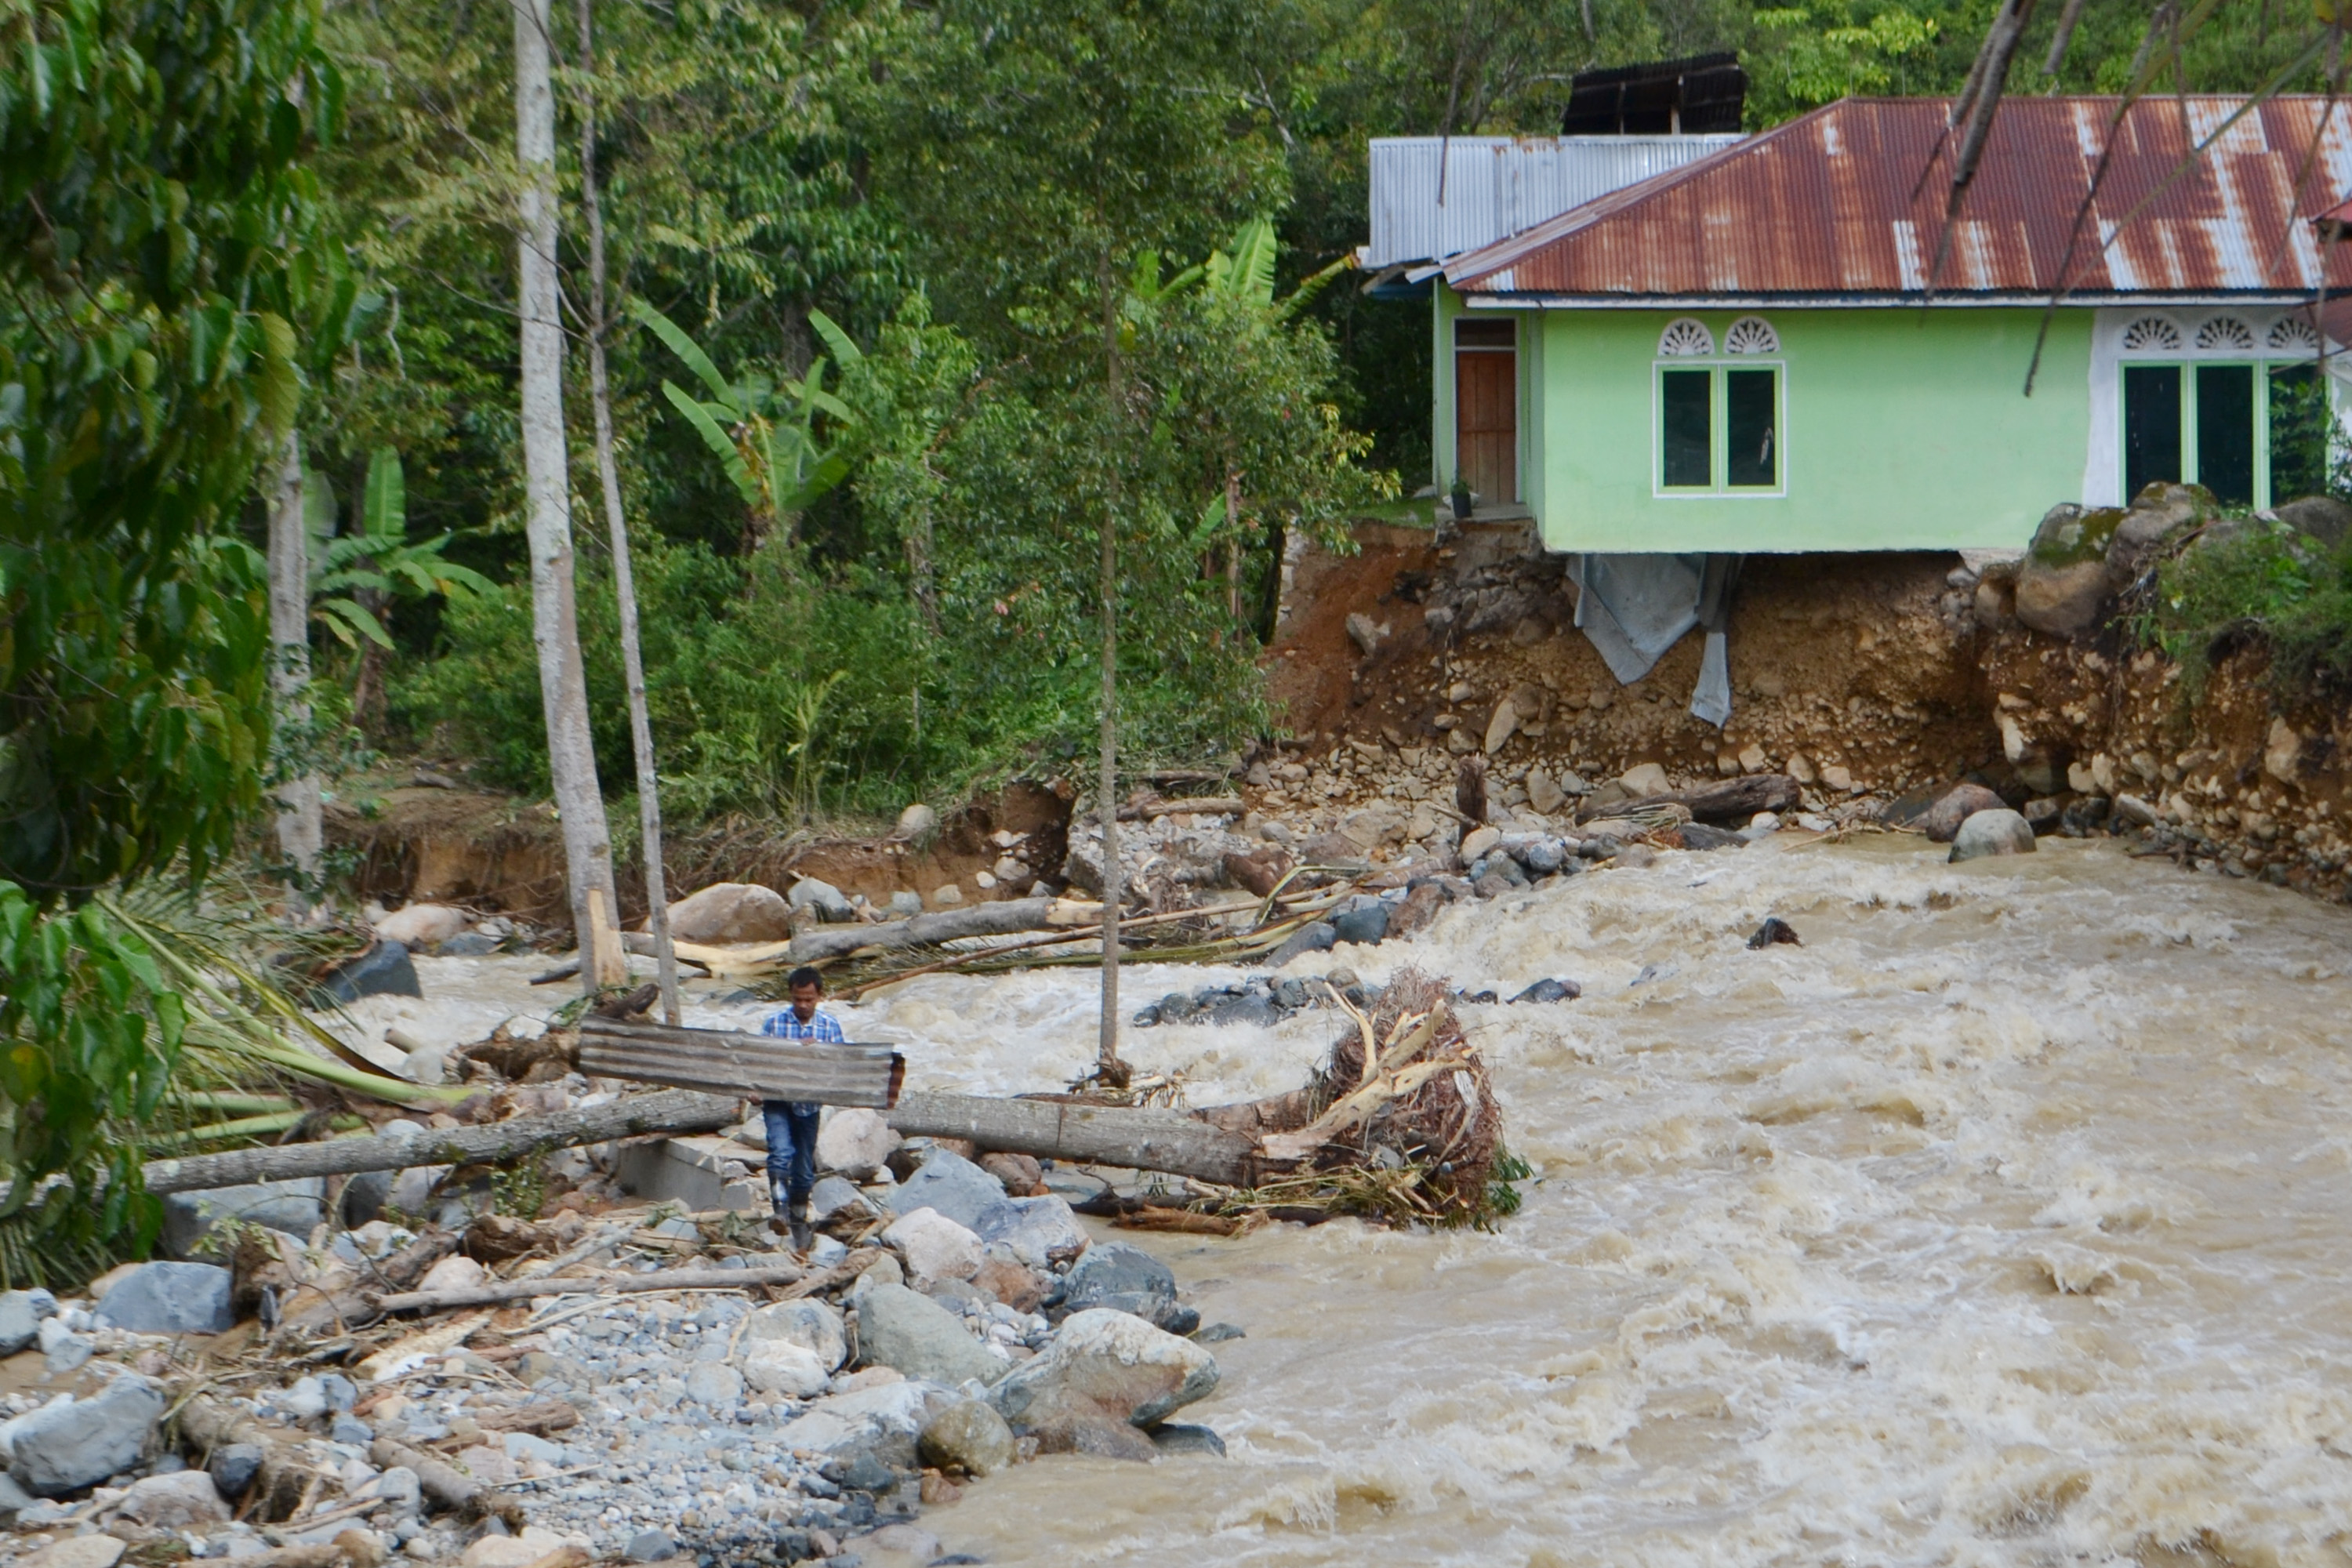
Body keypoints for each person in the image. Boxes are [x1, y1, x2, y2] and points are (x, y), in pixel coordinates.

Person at [759, 965, 844, 1251]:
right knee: (780, 1152)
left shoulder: (829, 1027)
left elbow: (840, 1066)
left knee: (805, 1170)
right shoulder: (774, 1024)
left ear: (819, 996)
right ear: (790, 996)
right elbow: (757, 1060)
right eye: (798, 999)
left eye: (809, 999)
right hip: (778, 1101)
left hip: (809, 1105)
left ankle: (798, 1218)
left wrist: (819, 1052)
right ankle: (779, 1211)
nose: (803, 1005)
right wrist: (754, 1089)